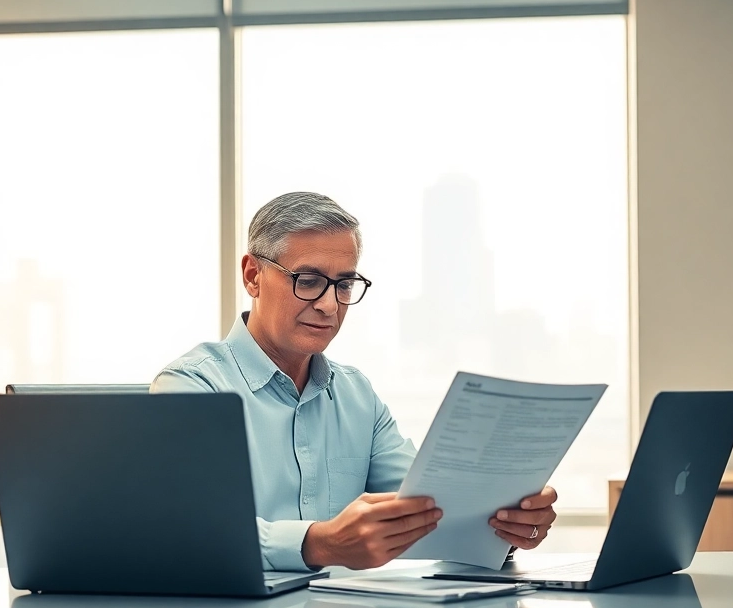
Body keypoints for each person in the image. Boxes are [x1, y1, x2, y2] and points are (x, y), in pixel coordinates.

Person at [151, 191, 557, 571]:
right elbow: (191, 528)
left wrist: (503, 524)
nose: (329, 305)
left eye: (344, 285)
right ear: (253, 275)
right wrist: (319, 544)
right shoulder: (191, 387)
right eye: (307, 281)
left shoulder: (356, 395)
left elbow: (429, 511)